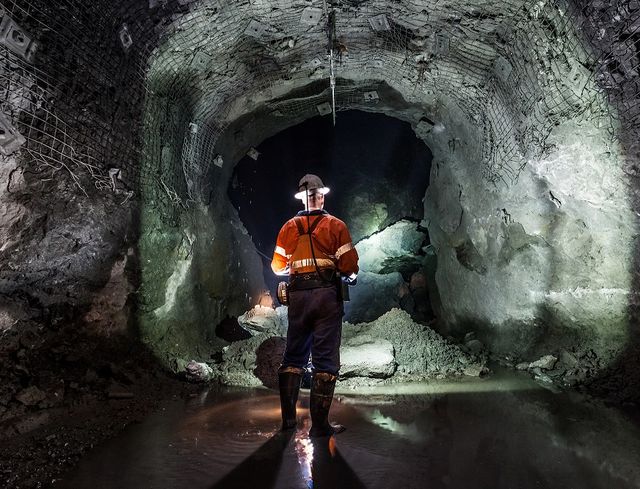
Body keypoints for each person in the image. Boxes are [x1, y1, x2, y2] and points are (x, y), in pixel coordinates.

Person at [271, 174, 359, 437]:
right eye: (318, 194)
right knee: (325, 360)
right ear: (321, 196)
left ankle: (288, 422)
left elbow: (277, 267)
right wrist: (350, 275)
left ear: (301, 198)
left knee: (293, 357)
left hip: (298, 298)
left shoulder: (289, 227)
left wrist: (296, 263)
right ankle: (319, 426)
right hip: (326, 298)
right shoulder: (336, 225)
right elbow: (349, 266)